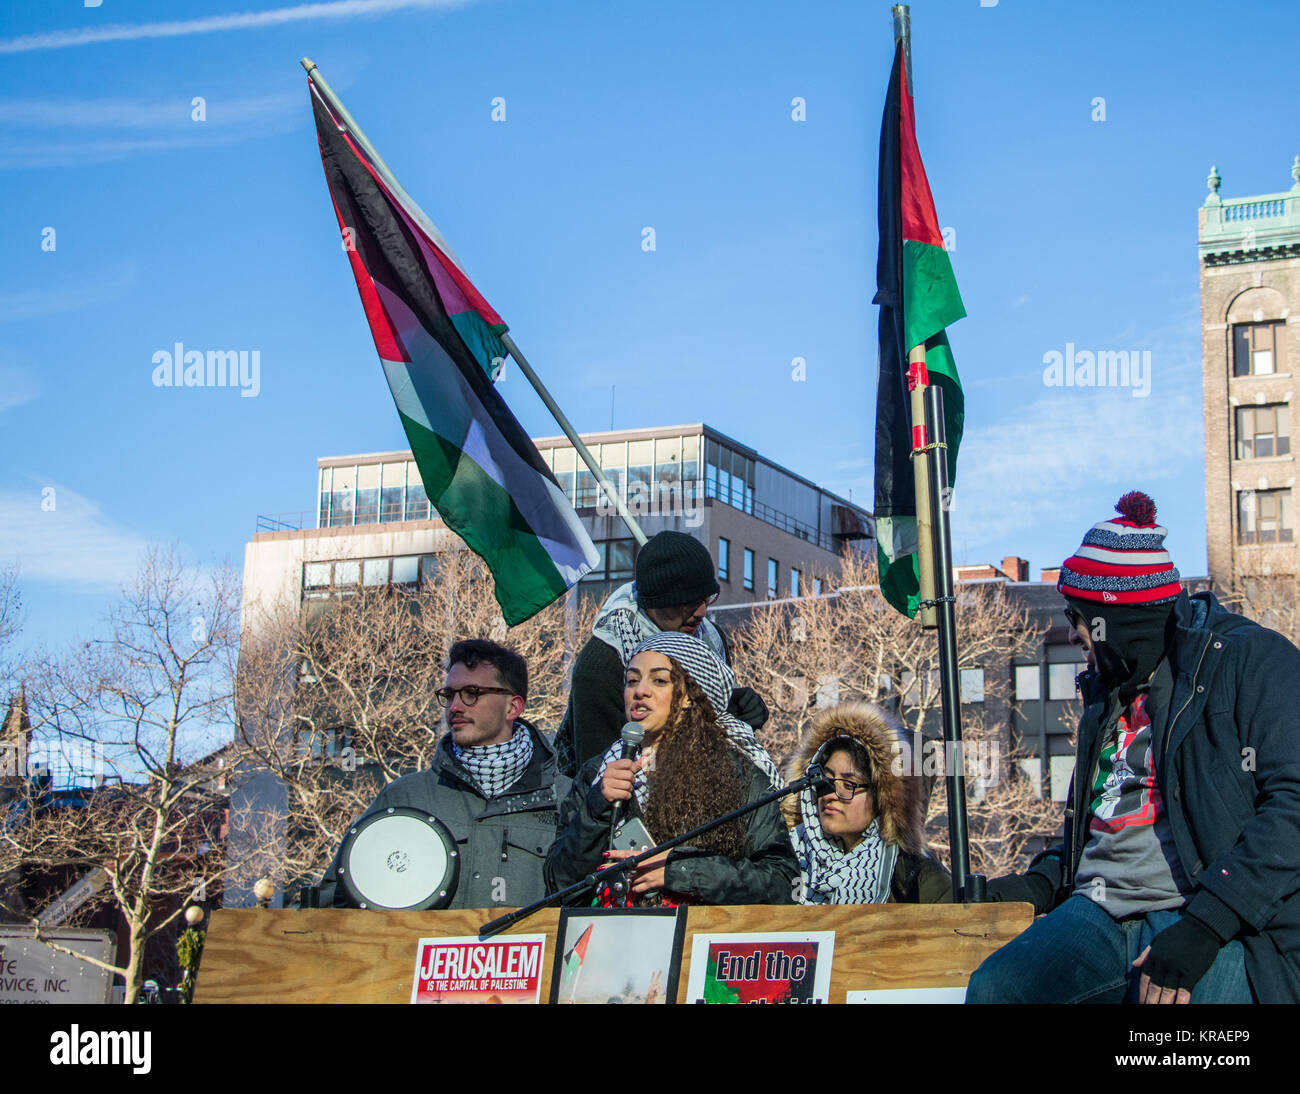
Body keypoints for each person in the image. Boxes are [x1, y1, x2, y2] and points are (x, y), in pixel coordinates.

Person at [967, 491, 1300, 1004]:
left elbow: (1292, 807)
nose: (1077, 640)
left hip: (1210, 910)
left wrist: (1205, 926)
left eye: (1080, 623)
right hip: (1096, 912)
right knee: (996, 990)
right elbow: (1091, 832)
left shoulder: (1248, 660)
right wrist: (1025, 888)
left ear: (1118, 624)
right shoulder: (1107, 695)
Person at [544, 631, 799, 906]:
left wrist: (680, 871)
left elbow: (782, 882)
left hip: (698, 942)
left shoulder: (738, 774)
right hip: (611, 939)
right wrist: (597, 808)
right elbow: (559, 886)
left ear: (690, 695)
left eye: (659, 680)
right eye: (631, 680)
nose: (639, 691)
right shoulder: (598, 773)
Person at [317, 639, 569, 911]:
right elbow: (337, 900)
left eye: (471, 693)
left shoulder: (566, 798)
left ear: (513, 707)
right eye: (449, 695)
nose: (455, 707)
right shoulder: (405, 797)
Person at [554, 530, 768, 776]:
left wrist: (738, 708)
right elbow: (595, 773)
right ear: (653, 602)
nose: (701, 612)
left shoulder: (711, 638)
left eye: (707, 599)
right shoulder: (603, 663)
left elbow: (714, 727)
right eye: (688, 601)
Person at [781, 702, 952, 904]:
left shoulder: (915, 878)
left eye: (849, 784)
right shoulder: (789, 859)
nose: (831, 794)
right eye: (825, 780)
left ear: (885, 798)